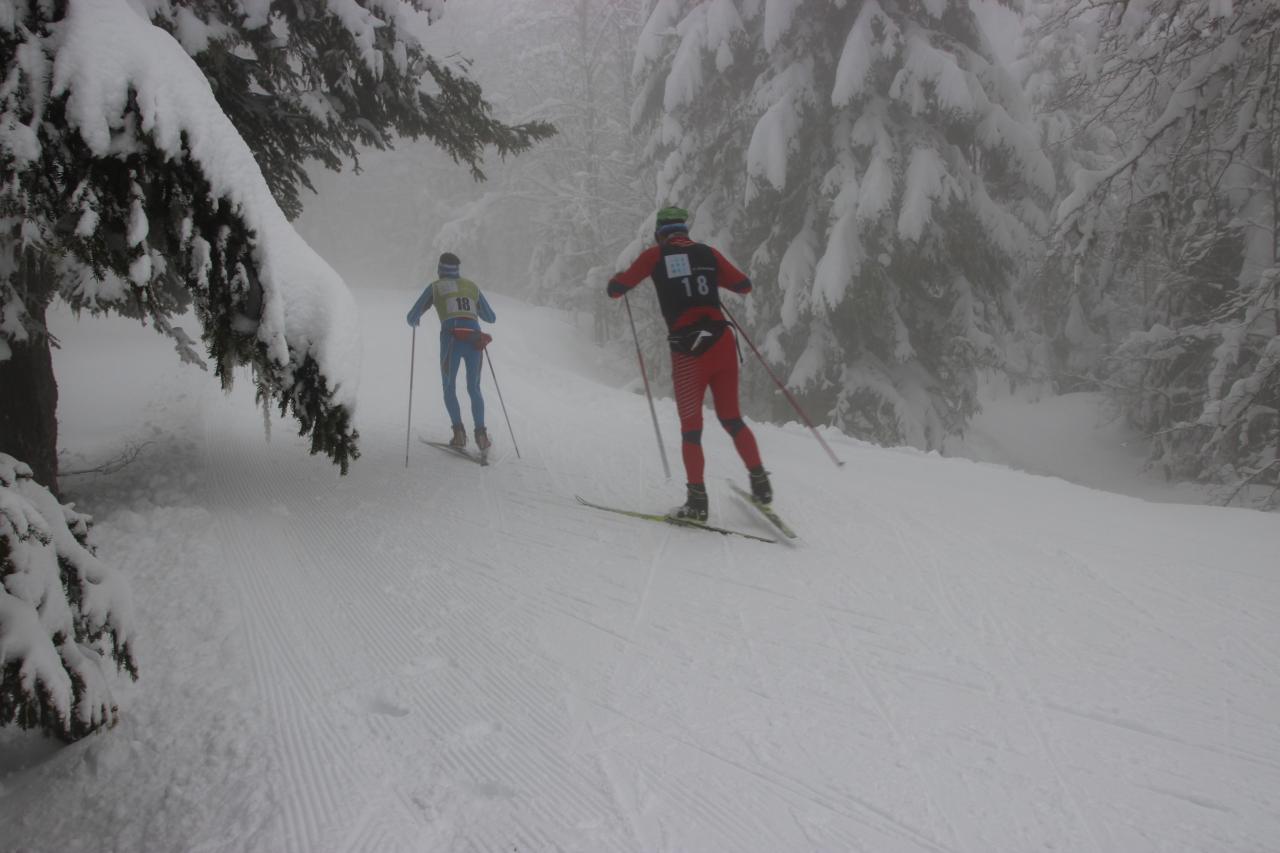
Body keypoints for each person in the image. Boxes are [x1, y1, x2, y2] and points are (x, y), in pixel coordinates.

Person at [606, 206, 771, 521]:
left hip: (688, 350)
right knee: (732, 419)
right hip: (722, 342)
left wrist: (616, 283)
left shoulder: (654, 257)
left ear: (660, 233)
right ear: (684, 231)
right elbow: (744, 285)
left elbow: (617, 289)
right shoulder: (707, 253)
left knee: (691, 429)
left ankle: (697, 502)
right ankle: (760, 479)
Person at [407, 252, 497, 450]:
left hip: (451, 341)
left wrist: (417, 319)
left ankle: (459, 435)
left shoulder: (436, 287)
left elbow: (411, 316)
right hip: (475, 341)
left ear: (440, 269)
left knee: (449, 387)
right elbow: (490, 317)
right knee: (474, 388)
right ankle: (481, 436)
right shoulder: (472, 287)